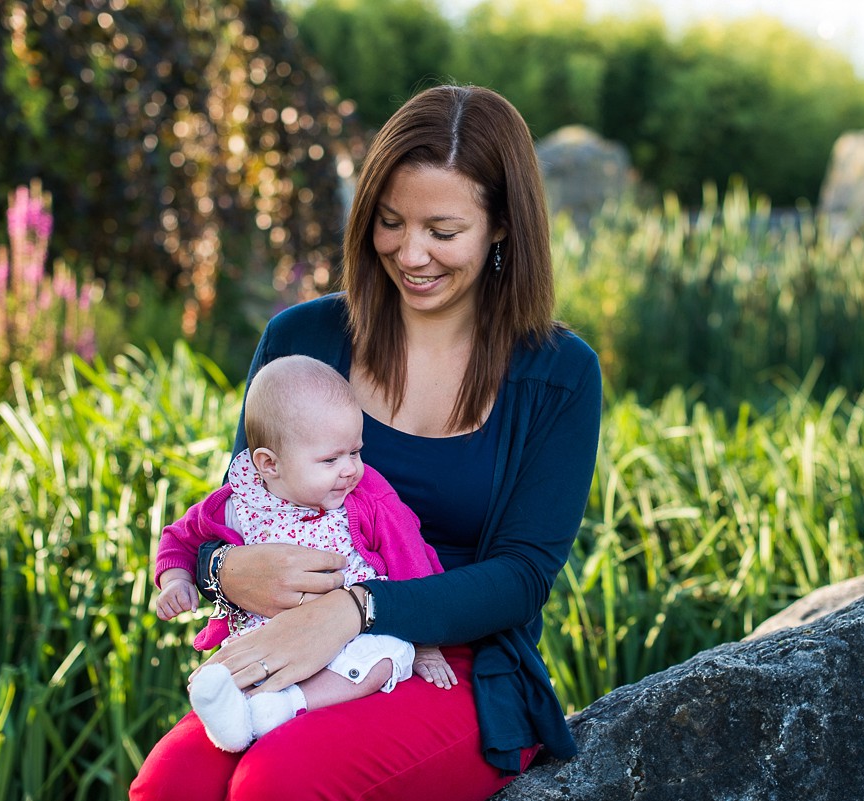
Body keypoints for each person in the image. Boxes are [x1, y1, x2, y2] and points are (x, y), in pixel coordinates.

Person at [131, 83, 602, 801]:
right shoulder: (302, 341)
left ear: (503, 225)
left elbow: (522, 576)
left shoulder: (559, 375)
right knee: (171, 785)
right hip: (296, 643)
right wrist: (219, 568)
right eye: (389, 222)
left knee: (275, 787)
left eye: (442, 231)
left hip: (457, 664)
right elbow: (237, 505)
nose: (410, 253)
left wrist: (357, 607)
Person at [153, 354, 455, 753]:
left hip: (353, 633)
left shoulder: (364, 499)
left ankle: (282, 708)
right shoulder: (235, 503)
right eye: (330, 459)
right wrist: (175, 578)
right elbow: (181, 536)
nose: (350, 469)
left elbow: (408, 555)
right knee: (229, 676)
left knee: (387, 657)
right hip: (266, 641)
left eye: (355, 452)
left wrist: (426, 641)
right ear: (269, 464)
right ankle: (235, 719)